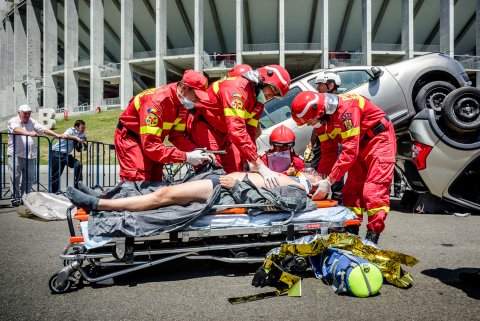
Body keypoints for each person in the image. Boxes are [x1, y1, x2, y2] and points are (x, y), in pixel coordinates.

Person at [291, 91, 396, 244]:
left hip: (379, 140)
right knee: (350, 192)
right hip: (359, 145)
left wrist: (329, 181)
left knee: (373, 192)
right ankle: (351, 234)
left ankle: (372, 238)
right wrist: (320, 179)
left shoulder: (347, 110)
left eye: (309, 121)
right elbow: (328, 152)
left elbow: (350, 151)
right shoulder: (322, 122)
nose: (309, 124)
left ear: (319, 111)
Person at [188, 64, 291, 188]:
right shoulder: (236, 89)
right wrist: (260, 165)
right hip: (204, 126)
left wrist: (252, 159)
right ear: (263, 81)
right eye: (271, 92)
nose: (270, 98)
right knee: (213, 170)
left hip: (224, 133)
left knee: (235, 171)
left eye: (274, 96)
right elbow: (237, 131)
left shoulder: (258, 103)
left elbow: (250, 132)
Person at [66, 168, 320, 213]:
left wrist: (238, 185)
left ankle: (98, 205)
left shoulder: (298, 191)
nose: (313, 170)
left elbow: (269, 202)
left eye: (316, 174)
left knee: (162, 196)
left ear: (317, 186)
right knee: (161, 189)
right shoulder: (292, 179)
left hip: (221, 190)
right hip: (220, 182)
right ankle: (103, 197)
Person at [114, 70, 214, 182]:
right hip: (131, 138)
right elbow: (150, 145)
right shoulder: (156, 102)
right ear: (184, 88)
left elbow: (177, 136)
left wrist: (197, 151)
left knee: (155, 178)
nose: (198, 100)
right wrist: (187, 157)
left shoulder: (181, 103)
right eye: (196, 95)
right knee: (138, 180)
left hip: (153, 140)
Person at [7, 104, 65, 206]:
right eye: (25, 113)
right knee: (15, 177)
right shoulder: (13, 120)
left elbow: (43, 129)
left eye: (29, 113)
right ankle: (15, 198)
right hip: (16, 154)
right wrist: (28, 133)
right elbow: (16, 129)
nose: (27, 115)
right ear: (19, 113)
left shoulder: (32, 121)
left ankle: (25, 197)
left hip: (30, 155)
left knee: (29, 178)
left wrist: (56, 135)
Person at [307, 71, 344, 202]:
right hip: (322, 141)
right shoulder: (323, 103)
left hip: (335, 142)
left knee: (336, 168)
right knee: (316, 169)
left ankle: (337, 198)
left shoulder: (337, 104)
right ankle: (319, 194)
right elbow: (318, 125)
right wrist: (312, 143)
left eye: (320, 85)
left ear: (331, 85)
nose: (317, 88)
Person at [51, 120, 87, 193]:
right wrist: (76, 138)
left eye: (84, 128)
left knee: (78, 164)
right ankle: (53, 192)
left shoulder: (82, 133)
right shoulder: (70, 130)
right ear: (76, 127)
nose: (83, 129)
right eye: (82, 128)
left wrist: (83, 139)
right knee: (56, 175)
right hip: (57, 153)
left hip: (66, 155)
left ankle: (77, 187)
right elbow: (65, 135)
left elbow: (85, 137)